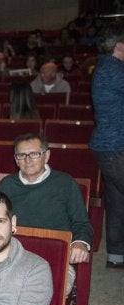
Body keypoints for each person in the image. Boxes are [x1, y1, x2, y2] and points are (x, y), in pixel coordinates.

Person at [0, 133, 93, 290]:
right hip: (14, 257)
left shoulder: (65, 183)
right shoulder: (6, 185)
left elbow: (81, 222)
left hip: (54, 258)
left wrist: (80, 243)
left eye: (34, 154)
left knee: (39, 292)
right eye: (22, 155)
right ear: (16, 159)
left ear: (46, 155)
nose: (28, 160)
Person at [90, 20, 124, 268]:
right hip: (117, 147)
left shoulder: (104, 66)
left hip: (107, 147)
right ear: (120, 46)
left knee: (117, 200)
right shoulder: (117, 70)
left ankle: (115, 255)